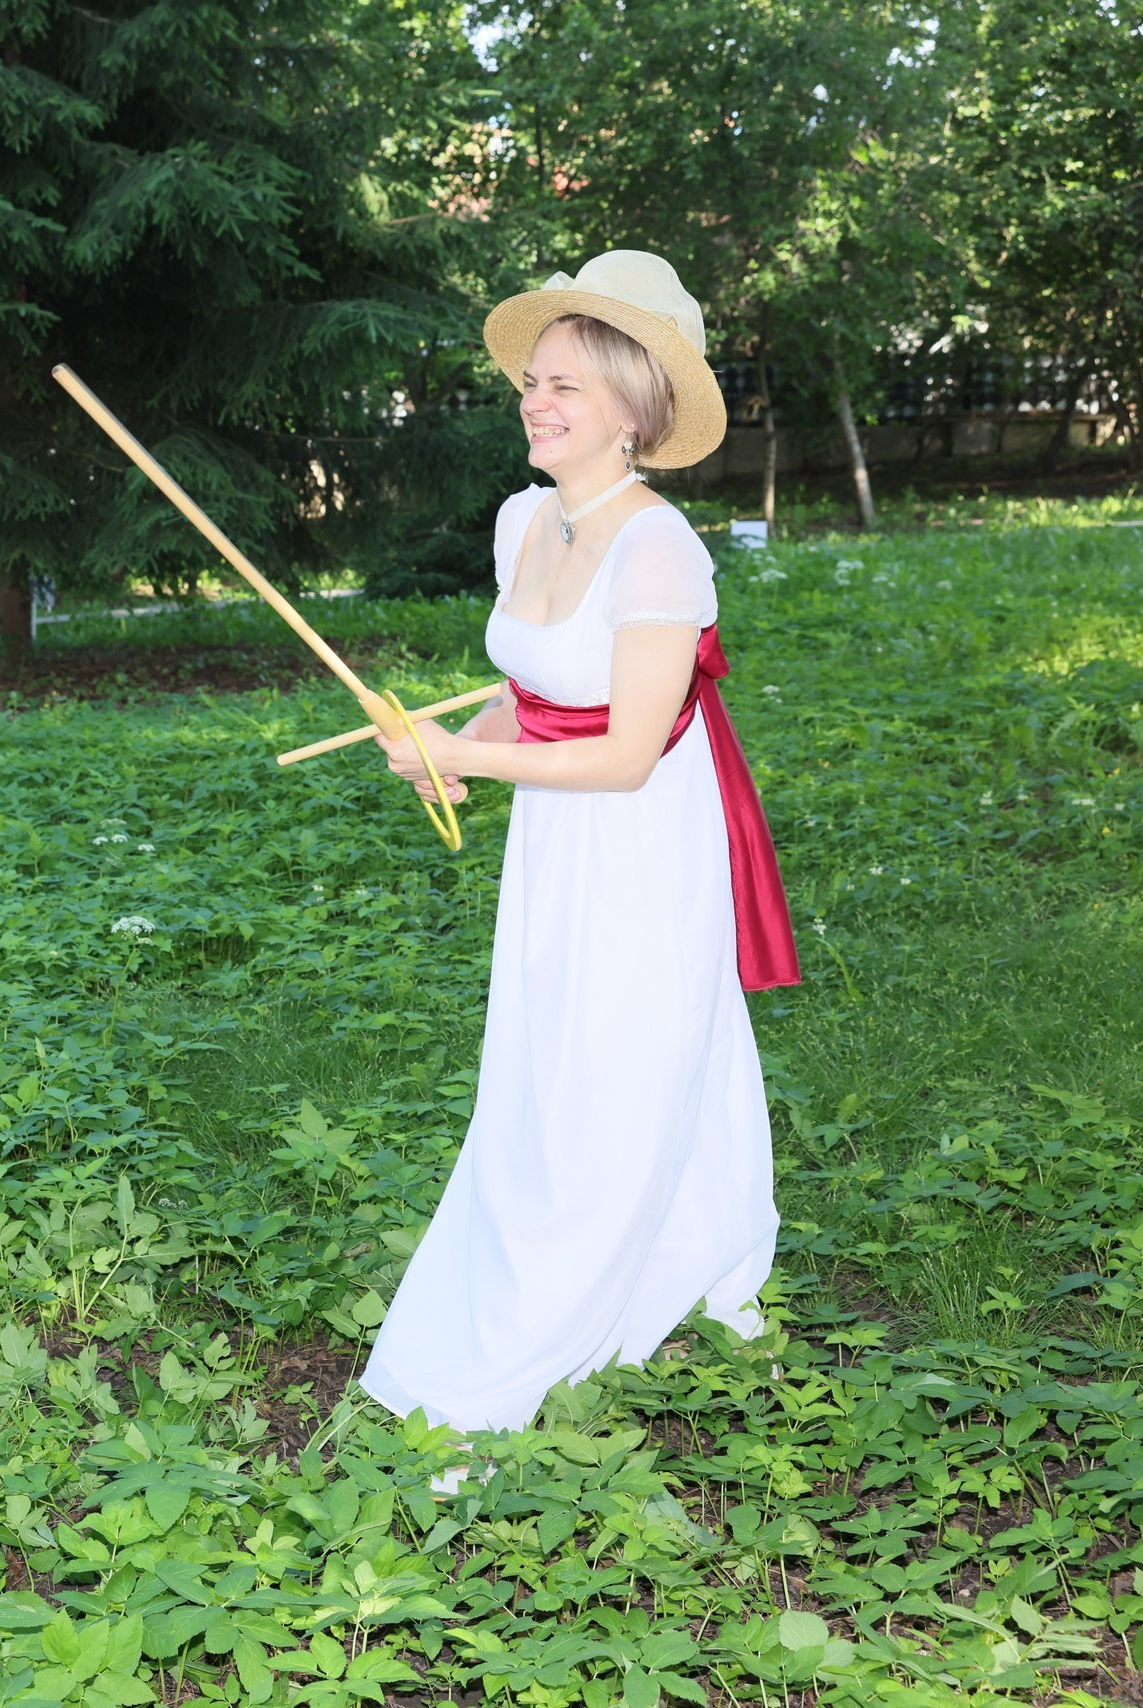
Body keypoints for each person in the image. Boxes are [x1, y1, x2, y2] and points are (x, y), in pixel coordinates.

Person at [359, 250, 801, 1447]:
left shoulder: (660, 551)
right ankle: (661, 1237)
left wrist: (478, 759)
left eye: (563, 384)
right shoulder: (522, 523)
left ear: (629, 409)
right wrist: (454, 737)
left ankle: (595, 1289)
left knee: (623, 1053)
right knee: (556, 1050)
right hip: (558, 839)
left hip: (643, 838)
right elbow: (535, 700)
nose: (534, 401)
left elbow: (624, 751)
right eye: (530, 381)